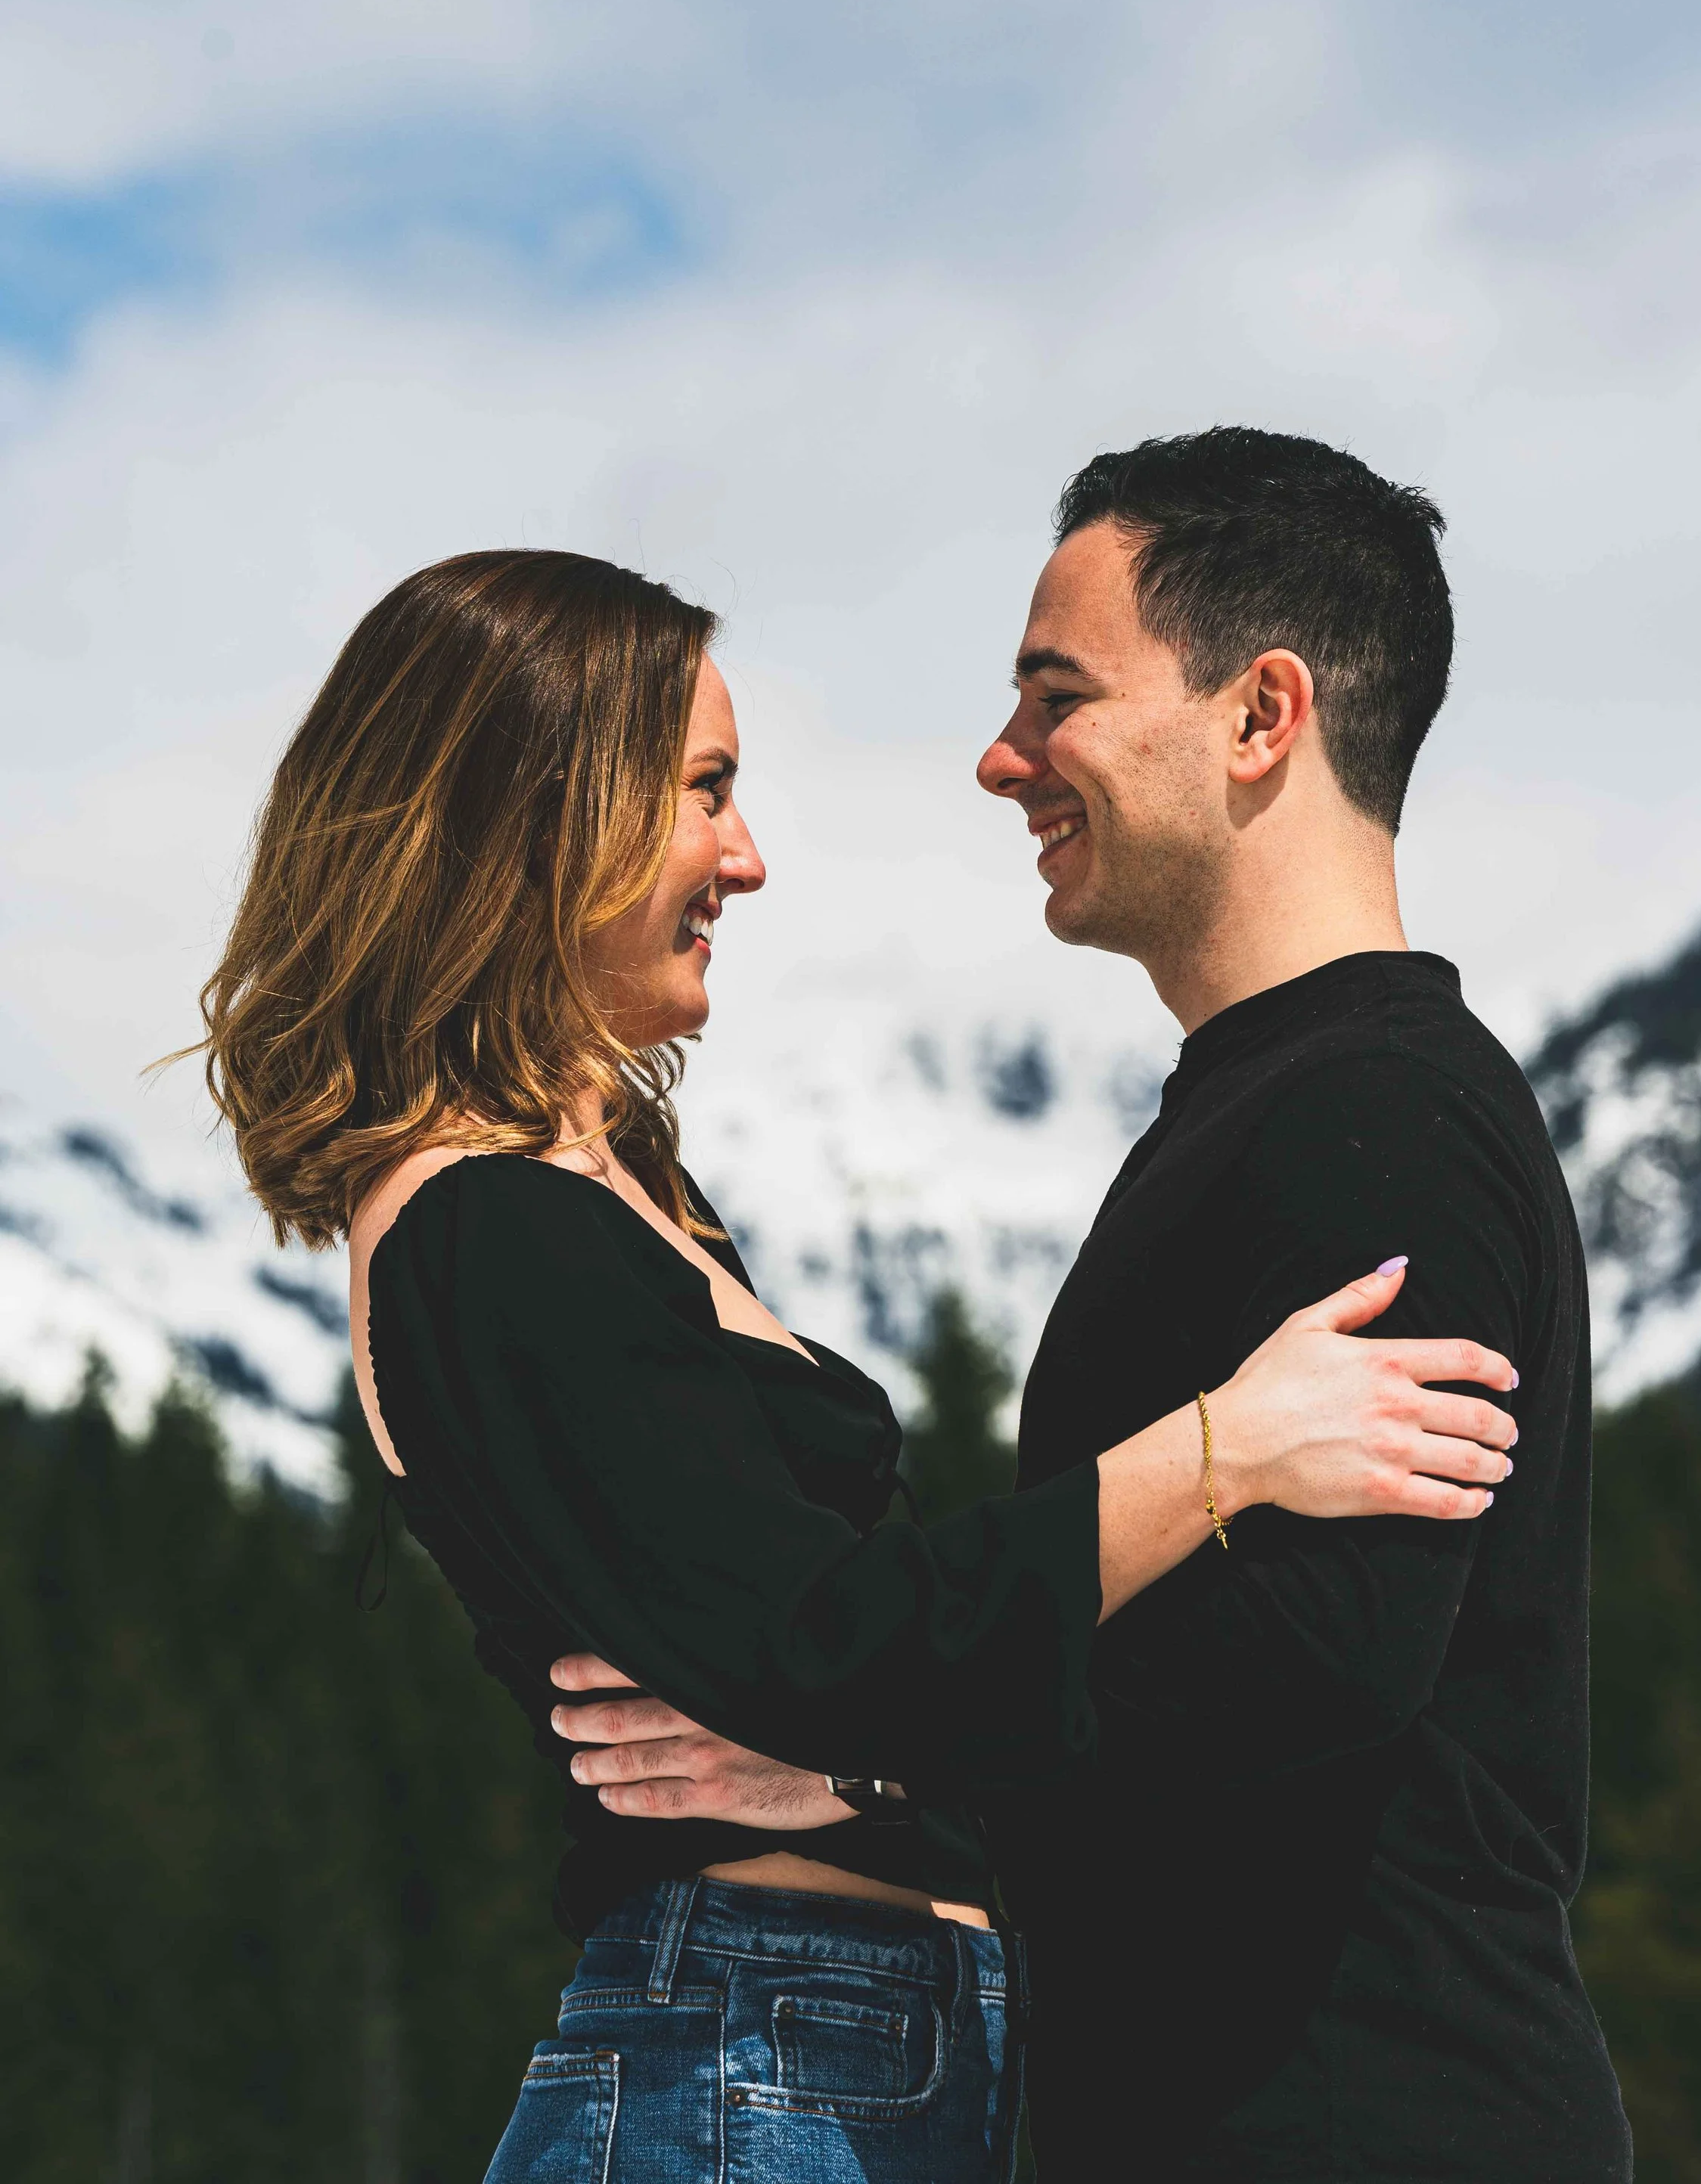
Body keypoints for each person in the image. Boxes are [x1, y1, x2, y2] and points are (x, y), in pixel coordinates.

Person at [195, 547, 1520, 2184]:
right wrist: (1222, 1449)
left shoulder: (602, 1192)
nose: (743, 858)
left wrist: (874, 1745)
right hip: (746, 2058)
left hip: (806, 2053)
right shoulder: (492, 1230)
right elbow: (819, 1638)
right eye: (701, 791)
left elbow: (828, 1654)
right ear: (539, 812)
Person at [563, 432, 1634, 2180]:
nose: (1001, 759)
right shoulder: (1275, 1106)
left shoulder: (1383, 1123)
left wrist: (858, 1770)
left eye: (1055, 696)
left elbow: (1309, 1671)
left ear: (1257, 715)